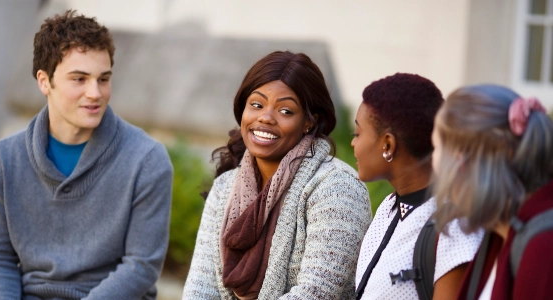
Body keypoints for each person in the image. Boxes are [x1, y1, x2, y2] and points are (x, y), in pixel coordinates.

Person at [0, 10, 173, 299]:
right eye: (79, 79)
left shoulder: (147, 160)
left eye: (103, 79)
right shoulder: (5, 159)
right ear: (45, 81)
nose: (95, 93)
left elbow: (141, 266)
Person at [182, 51, 372, 299]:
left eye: (285, 111)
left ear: (309, 121)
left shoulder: (337, 187)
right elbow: (200, 289)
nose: (265, 118)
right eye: (257, 105)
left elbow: (315, 294)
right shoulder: (224, 187)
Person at [352, 73, 483, 300]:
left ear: (388, 144)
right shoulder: (389, 207)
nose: (353, 142)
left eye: (358, 133)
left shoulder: (454, 225)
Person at [431, 84, 553, 300]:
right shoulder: (501, 233)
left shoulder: (542, 250)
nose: (432, 160)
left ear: (461, 161)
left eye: (436, 147)